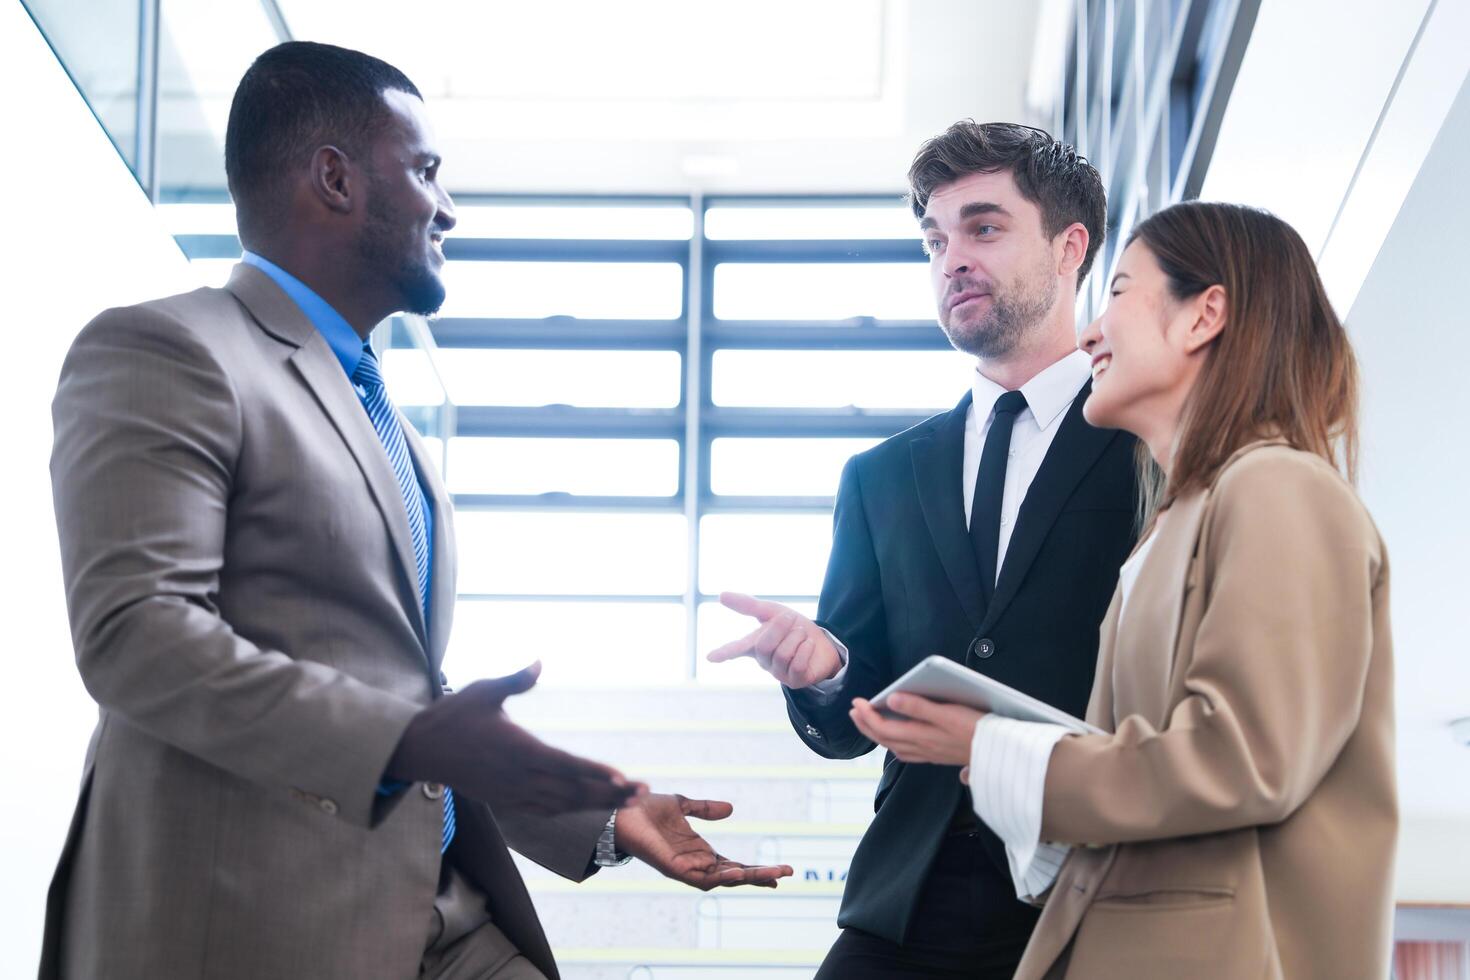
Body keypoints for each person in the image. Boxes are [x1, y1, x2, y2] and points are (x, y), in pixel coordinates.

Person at [43, 41, 788, 980]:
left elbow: (399, 689)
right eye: (426, 171)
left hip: (439, 913)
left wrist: (596, 816)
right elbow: (135, 636)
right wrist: (401, 738)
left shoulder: (374, 404)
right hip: (258, 924)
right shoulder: (169, 350)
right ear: (334, 178)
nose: (447, 207)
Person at [851, 201, 1395, 979]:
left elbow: (1243, 759)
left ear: (1204, 315)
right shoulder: (1177, 521)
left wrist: (990, 745)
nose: (1090, 333)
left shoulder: (1278, 487)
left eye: (1117, 293)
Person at [707, 122, 1139, 978]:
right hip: (909, 900)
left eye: (983, 228)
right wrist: (826, 668)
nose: (952, 261)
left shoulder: (1146, 446)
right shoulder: (881, 477)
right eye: (936, 240)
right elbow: (851, 721)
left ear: (1070, 247)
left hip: (1091, 893)